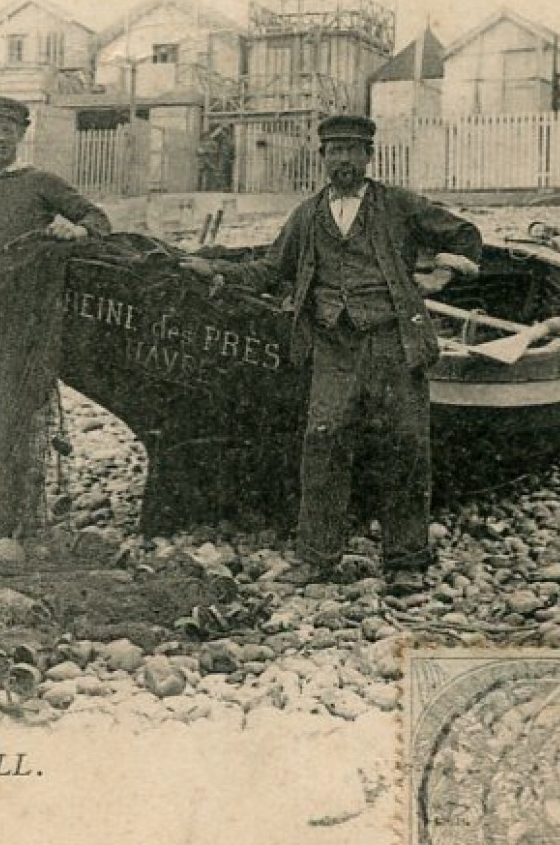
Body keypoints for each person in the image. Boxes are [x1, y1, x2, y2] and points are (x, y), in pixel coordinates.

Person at [182, 114, 483, 592]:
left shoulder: (399, 205)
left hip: (393, 343)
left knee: (404, 446)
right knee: (322, 446)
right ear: (322, 158)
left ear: (368, 157)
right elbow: (271, 268)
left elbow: (464, 235)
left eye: (353, 151)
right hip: (332, 347)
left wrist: (446, 270)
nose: (344, 160)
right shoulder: (307, 214)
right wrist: (216, 270)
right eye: (334, 151)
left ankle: (406, 561)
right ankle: (317, 558)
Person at [0, 95, 112, 540]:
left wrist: (76, 229)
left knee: (14, 410)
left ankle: (5, 511)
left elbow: (98, 219)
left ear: (21, 136)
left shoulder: (41, 183)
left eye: (8, 131)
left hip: (24, 319)